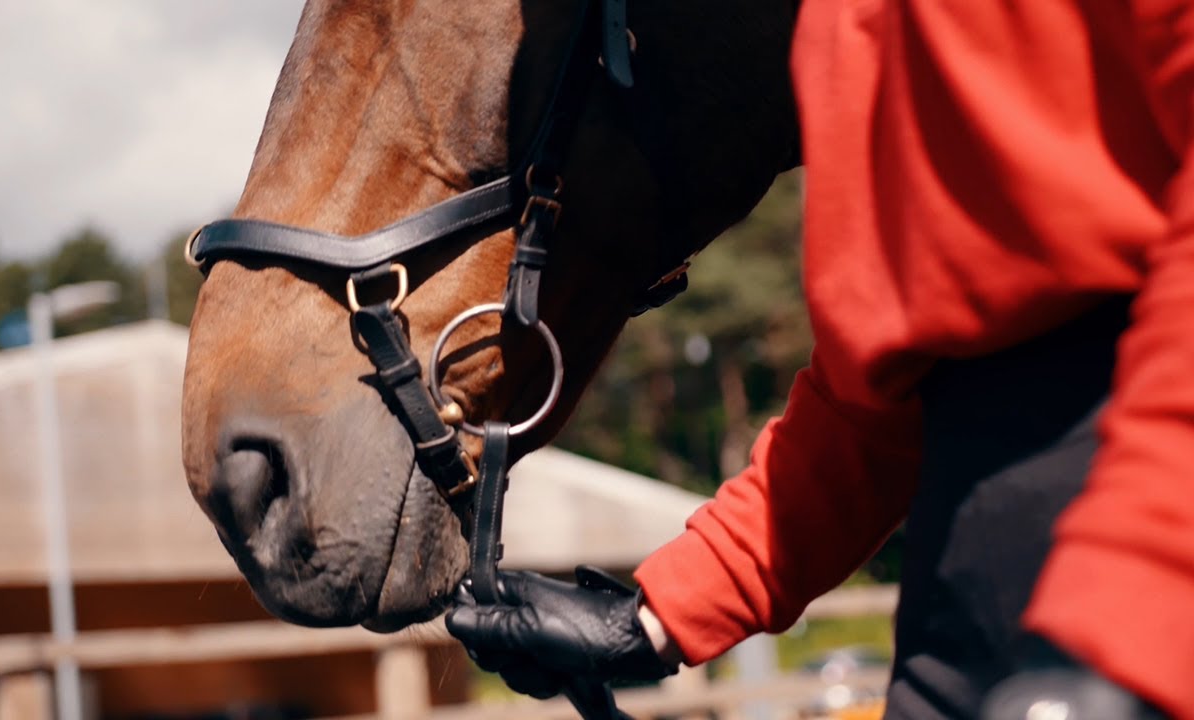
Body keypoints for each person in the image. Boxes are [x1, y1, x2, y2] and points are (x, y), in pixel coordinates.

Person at [448, 2, 1194, 718]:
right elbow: (878, 396)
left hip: (1140, 564)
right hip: (960, 611)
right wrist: (659, 615)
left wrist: (1137, 612)